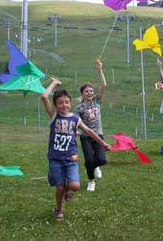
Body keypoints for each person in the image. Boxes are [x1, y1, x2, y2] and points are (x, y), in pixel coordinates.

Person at [41, 78, 111, 221]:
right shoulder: (54, 116)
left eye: (66, 102)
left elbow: (90, 132)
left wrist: (103, 143)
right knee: (59, 188)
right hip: (55, 158)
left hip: (71, 158)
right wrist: (54, 83)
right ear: (55, 105)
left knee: (75, 185)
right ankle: (59, 209)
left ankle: (68, 190)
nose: (64, 105)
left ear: (70, 103)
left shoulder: (75, 119)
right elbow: (44, 96)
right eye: (60, 103)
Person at [74, 59, 107, 192]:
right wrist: (75, 131)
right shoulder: (79, 107)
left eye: (91, 91)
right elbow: (75, 121)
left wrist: (100, 70)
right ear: (82, 94)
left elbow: (104, 85)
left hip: (98, 135)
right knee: (89, 159)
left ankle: (94, 166)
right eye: (87, 91)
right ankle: (91, 181)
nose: (90, 93)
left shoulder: (96, 101)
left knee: (101, 159)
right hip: (86, 137)